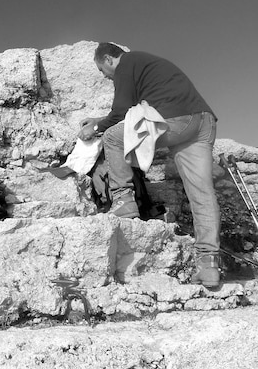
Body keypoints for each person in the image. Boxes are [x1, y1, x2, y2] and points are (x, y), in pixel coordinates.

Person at [79, 43, 221, 287]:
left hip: (176, 120)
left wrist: (94, 128)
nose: (105, 76)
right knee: (202, 194)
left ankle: (123, 201)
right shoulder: (146, 63)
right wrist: (98, 119)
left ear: (108, 58)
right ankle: (209, 265)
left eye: (103, 70)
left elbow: (121, 112)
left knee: (113, 136)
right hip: (202, 121)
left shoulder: (126, 64)